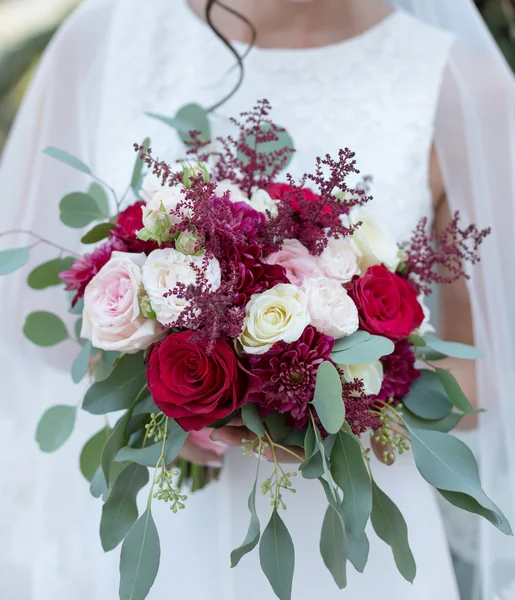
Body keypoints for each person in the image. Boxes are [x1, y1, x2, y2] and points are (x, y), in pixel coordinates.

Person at [0, 0, 513, 598]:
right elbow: (29, 309)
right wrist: (157, 373)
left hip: (342, 537)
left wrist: (328, 414)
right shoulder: (107, 35)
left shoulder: (467, 90)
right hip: (154, 520)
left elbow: (487, 369)